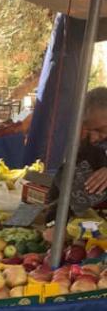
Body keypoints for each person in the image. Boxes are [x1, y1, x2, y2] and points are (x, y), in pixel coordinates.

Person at [47, 87, 107, 221]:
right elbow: (62, 190)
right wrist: (53, 222)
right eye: (90, 131)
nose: (94, 138)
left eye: (100, 130)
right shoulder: (88, 148)